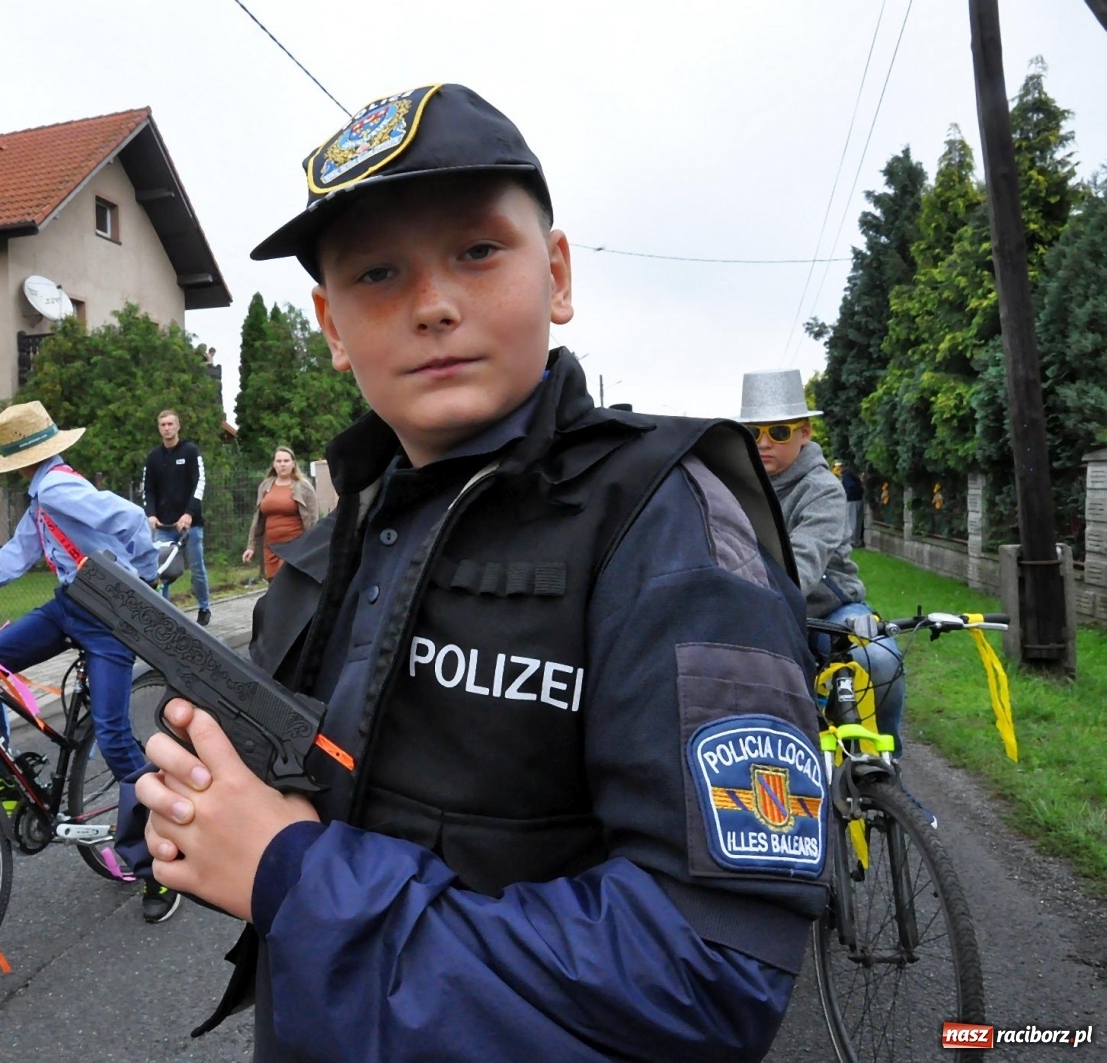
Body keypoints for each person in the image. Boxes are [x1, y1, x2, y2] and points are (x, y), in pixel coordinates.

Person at [131, 84, 826, 1060]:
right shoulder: (336, 542)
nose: (433, 305)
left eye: (476, 251)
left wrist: (291, 871)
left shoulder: (662, 522)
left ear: (557, 274)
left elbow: (710, 975)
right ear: (332, 326)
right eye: (378, 272)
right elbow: (289, 796)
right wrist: (188, 800)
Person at [0, 400, 182, 924]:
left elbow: (131, 518)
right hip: (70, 605)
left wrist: (144, 577)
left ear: (19, 461)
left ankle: (157, 866)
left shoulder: (57, 488)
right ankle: (4, 785)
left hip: (106, 616)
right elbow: (19, 551)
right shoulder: (44, 496)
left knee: (114, 737)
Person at [738, 370, 909, 768]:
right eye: (752, 432)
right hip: (756, 610)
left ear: (805, 433)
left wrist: (756, 609)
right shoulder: (731, 487)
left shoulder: (823, 489)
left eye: (778, 431)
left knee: (880, 658)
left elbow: (803, 561)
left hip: (829, 612)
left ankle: (885, 765)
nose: (763, 443)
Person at [142, 409, 213, 626]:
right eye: (163, 425)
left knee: (197, 567)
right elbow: (148, 489)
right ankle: (162, 614)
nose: (167, 428)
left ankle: (204, 607)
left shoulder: (190, 452)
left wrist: (189, 513)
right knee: (161, 570)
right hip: (163, 526)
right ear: (159, 428)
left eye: (170, 424)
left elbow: (199, 483)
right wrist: (151, 515)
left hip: (190, 525)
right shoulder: (154, 457)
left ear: (178, 426)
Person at [242, 446, 318, 580]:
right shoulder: (265, 486)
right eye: (279, 461)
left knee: (287, 582)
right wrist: (251, 547)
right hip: (271, 547)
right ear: (274, 464)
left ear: (293, 464)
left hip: (294, 547)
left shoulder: (303, 487)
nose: (282, 464)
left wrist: (312, 547)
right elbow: (258, 519)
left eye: (286, 461)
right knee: (273, 583)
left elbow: (312, 519)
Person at [839, 461, 866, 547]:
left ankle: (852, 541)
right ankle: (856, 540)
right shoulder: (851, 475)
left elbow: (851, 487)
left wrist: (847, 495)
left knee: (852, 520)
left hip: (852, 500)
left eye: (841, 466)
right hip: (858, 499)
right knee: (857, 521)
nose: (840, 469)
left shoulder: (847, 476)